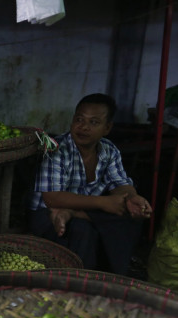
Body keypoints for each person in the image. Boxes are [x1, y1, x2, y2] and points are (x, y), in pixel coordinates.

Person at [28, 93, 152, 276]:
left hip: (86, 210)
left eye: (94, 122)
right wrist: (102, 203)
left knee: (130, 215)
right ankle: (81, 283)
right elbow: (52, 198)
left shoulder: (109, 150)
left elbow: (120, 183)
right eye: (79, 119)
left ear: (107, 128)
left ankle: (113, 275)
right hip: (46, 213)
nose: (83, 127)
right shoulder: (57, 149)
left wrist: (131, 197)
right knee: (82, 231)